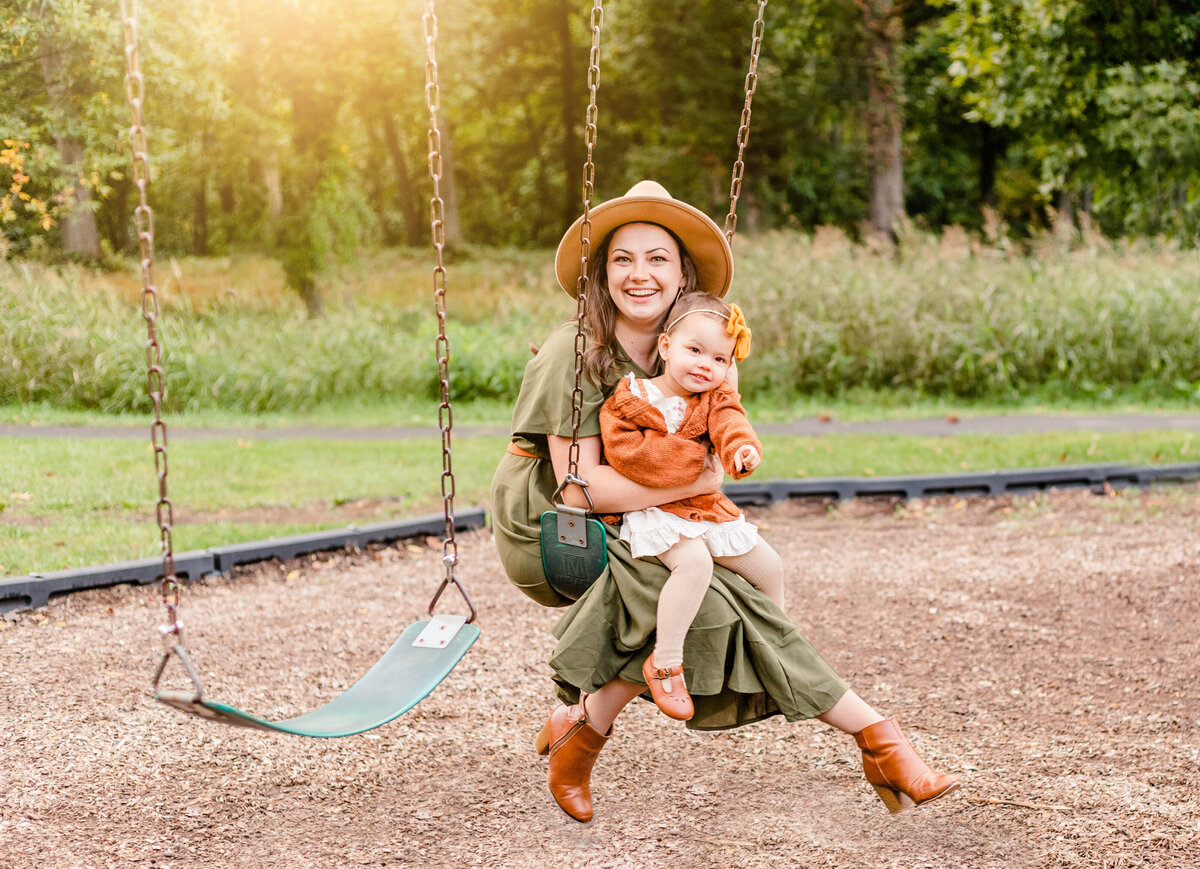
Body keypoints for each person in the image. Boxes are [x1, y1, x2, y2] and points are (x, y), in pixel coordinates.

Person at [489, 180, 960, 822]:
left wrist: (720, 449)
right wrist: (700, 483)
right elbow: (582, 487)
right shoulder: (572, 353)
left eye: (658, 258)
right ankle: (878, 738)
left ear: (682, 272)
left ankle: (580, 730)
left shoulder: (698, 347)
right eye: (622, 258)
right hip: (557, 520)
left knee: (725, 602)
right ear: (601, 273)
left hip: (652, 514)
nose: (639, 274)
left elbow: (723, 434)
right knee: (709, 610)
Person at [599, 291, 782, 722]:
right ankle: (665, 663)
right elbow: (629, 455)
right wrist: (698, 459)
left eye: (720, 359)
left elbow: (731, 424)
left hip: (704, 509)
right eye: (695, 350)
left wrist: (741, 450)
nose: (705, 365)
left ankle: (773, 648)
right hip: (656, 513)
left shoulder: (714, 399)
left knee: (770, 567)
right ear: (666, 347)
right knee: (694, 564)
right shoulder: (632, 398)